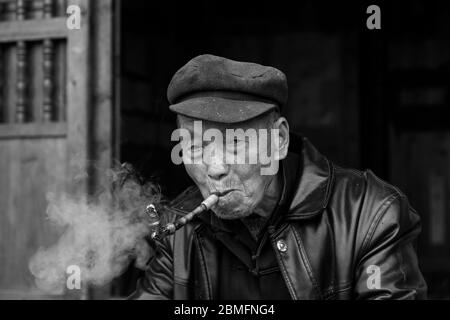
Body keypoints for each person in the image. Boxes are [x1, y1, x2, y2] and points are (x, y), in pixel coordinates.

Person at [131, 54, 427, 299]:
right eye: (195, 146)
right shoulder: (177, 231)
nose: (215, 168)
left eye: (235, 143)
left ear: (280, 139)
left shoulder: (371, 214)